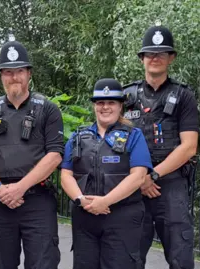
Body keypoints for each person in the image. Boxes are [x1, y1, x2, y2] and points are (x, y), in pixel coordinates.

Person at [0, 40, 64, 269]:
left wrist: (20, 187)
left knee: (43, 264)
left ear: (29, 74)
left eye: (20, 71)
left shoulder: (48, 109)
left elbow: (55, 155)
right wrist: (1, 189)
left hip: (38, 202)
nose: (14, 77)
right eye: (8, 72)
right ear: (1, 76)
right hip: (0, 201)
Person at [123, 22, 199, 269]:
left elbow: (188, 147)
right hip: (133, 186)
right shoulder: (125, 97)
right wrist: (141, 178)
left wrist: (152, 175)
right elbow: (114, 141)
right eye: (150, 54)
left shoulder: (184, 96)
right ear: (142, 58)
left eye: (162, 53)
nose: (155, 58)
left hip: (171, 186)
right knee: (129, 256)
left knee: (180, 257)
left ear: (171, 58)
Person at [61, 78, 153, 269]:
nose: (105, 107)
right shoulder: (78, 137)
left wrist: (105, 201)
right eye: (100, 103)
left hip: (122, 216)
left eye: (111, 102)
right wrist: (80, 200)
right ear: (94, 105)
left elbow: (138, 176)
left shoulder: (133, 135)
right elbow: (66, 175)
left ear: (121, 106)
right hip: (85, 217)